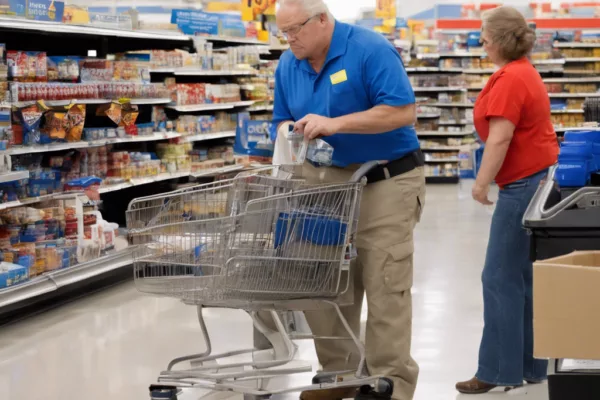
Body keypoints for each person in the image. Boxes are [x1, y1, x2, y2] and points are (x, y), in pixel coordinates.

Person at [269, 0, 426, 399]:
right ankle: (339, 375)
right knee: (324, 283)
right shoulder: (289, 64)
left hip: (385, 181)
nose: (290, 40)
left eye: (295, 30)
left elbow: (402, 111)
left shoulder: (369, 49)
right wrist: (290, 131)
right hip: (322, 184)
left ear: (323, 20)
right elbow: (281, 119)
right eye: (283, 33)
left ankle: (388, 382)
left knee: (384, 281)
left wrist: (335, 124)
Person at [455, 6, 559, 394]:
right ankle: (532, 366)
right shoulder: (524, 72)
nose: (480, 41)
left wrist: (481, 184)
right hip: (538, 181)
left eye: (484, 35)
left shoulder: (511, 78)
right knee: (522, 278)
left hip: (522, 186)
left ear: (499, 39)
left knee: (498, 277)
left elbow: (500, 138)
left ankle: (497, 371)